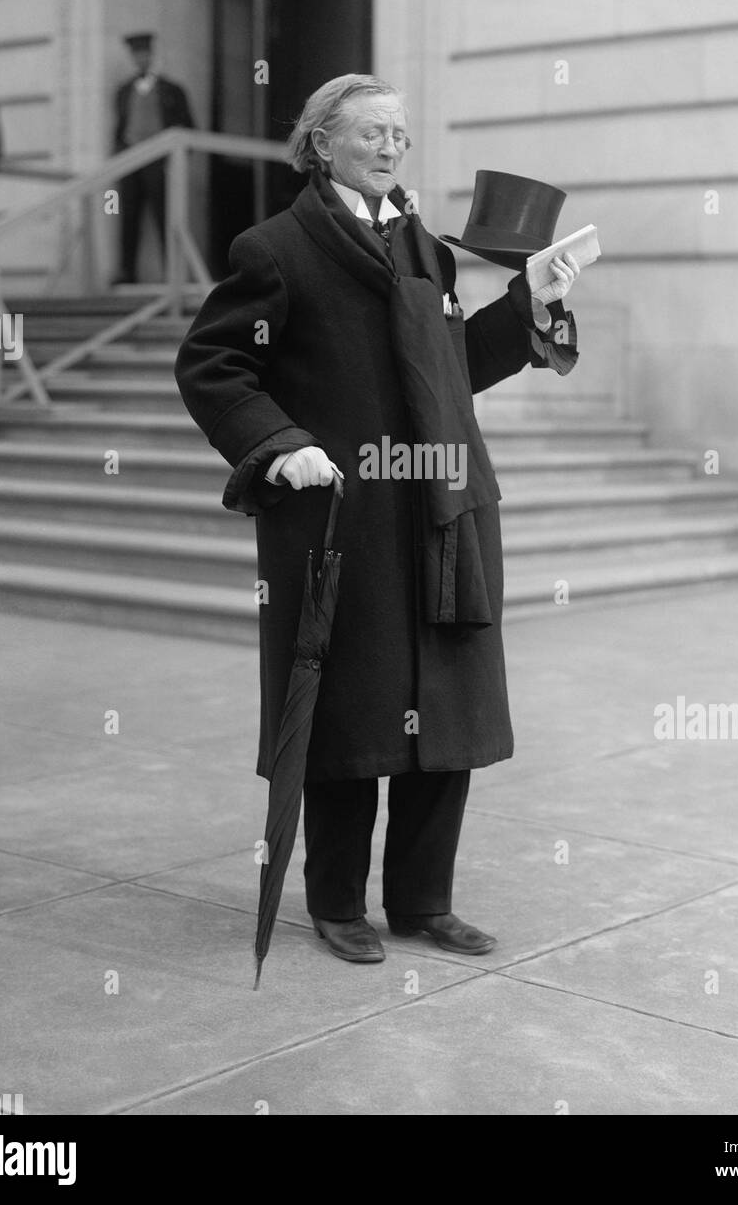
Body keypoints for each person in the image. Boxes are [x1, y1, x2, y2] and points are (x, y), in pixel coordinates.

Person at [174, 74, 580, 966]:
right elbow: (211, 366)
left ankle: (423, 903)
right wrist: (279, 443)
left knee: (448, 710)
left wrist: (529, 303)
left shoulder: (424, 247)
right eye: (371, 134)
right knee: (349, 715)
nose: (392, 146)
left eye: (399, 132)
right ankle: (336, 904)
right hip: (341, 519)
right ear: (322, 144)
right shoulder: (275, 248)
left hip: (444, 510)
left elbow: (455, 367)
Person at [112, 32, 194, 285]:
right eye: (136, 54)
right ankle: (127, 272)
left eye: (144, 53)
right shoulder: (124, 91)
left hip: (159, 161)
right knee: (128, 218)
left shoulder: (172, 90)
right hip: (131, 160)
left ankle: (173, 273)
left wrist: (174, 159)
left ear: (151, 54)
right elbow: (120, 126)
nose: (141, 59)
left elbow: (187, 127)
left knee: (165, 216)